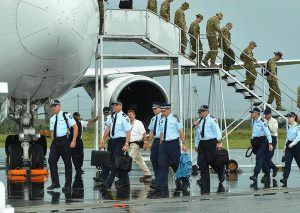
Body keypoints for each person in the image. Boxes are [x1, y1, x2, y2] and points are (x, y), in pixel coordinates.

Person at [150, 103, 189, 193]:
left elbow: (181, 131)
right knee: (162, 164)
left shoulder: (175, 118)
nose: (162, 113)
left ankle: (185, 181)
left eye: (164, 111)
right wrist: (160, 145)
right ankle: (159, 184)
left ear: (169, 110)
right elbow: (161, 134)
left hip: (173, 144)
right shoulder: (162, 120)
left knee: (176, 164)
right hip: (164, 144)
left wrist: (184, 143)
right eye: (162, 111)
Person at [99, 100, 131, 189]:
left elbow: (128, 131)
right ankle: (125, 181)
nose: (114, 106)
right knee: (110, 160)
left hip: (120, 141)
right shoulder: (112, 116)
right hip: (112, 141)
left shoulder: (124, 117)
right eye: (113, 105)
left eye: (116, 105)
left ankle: (108, 182)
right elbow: (108, 128)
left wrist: (126, 144)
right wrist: (103, 139)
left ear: (121, 106)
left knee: (115, 161)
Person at [47, 100, 78, 192]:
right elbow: (52, 131)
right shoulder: (52, 118)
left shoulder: (66, 115)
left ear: (59, 106)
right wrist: (53, 141)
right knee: (51, 161)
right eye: (52, 106)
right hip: (55, 142)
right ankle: (55, 183)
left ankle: (68, 185)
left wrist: (74, 140)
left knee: (67, 163)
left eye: (55, 106)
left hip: (65, 140)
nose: (53, 108)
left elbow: (75, 127)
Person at [194, 105, 224, 194]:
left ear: (206, 112)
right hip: (202, 143)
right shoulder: (199, 121)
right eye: (199, 112)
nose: (199, 114)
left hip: (211, 142)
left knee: (211, 161)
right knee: (202, 162)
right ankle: (204, 180)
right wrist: (196, 145)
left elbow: (217, 131)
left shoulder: (212, 120)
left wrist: (219, 142)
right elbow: (197, 134)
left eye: (201, 112)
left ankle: (221, 171)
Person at [71, 112, 99, 179]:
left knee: (81, 155)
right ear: (73, 116)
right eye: (76, 115)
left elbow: (89, 123)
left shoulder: (81, 122)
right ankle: (77, 168)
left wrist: (95, 119)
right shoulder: (70, 122)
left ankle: (79, 167)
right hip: (72, 140)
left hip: (79, 141)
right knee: (74, 155)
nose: (77, 117)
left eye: (78, 115)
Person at [249, 107, 273, 184]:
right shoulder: (253, 121)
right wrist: (252, 142)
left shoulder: (263, 121)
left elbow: (267, 132)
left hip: (262, 140)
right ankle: (266, 172)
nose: (251, 114)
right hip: (255, 141)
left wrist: (270, 143)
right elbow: (254, 132)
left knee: (259, 156)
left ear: (257, 113)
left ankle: (255, 174)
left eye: (252, 112)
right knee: (261, 157)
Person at [127, 110, 152, 182]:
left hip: (136, 144)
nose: (129, 116)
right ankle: (147, 173)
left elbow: (144, 133)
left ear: (134, 115)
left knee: (129, 158)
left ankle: (122, 174)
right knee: (139, 160)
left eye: (131, 114)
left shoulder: (138, 123)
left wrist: (145, 143)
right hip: (129, 144)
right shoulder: (127, 123)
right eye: (128, 115)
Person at [280, 112, 300, 187]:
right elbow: (287, 137)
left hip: (296, 145)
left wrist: (293, 143)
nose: (288, 118)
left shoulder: (298, 126)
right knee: (287, 162)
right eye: (287, 117)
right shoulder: (289, 126)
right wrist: (285, 146)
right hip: (289, 145)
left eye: (289, 117)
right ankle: (285, 178)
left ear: (294, 117)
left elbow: (298, 137)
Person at [93, 107, 112, 183]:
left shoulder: (109, 119)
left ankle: (105, 176)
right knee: (109, 159)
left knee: (109, 159)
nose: (106, 114)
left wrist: (103, 141)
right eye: (105, 112)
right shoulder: (106, 119)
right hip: (110, 140)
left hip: (112, 140)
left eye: (107, 112)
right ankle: (103, 176)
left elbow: (108, 131)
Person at [261, 108, 279, 182]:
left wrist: (266, 125)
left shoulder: (274, 121)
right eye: (265, 114)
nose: (265, 116)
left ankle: (267, 173)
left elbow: (274, 130)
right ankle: (271, 170)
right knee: (263, 157)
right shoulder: (262, 120)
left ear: (270, 114)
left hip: (272, 138)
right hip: (265, 139)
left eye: (267, 114)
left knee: (268, 156)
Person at [147, 102, 162, 180]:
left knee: (161, 159)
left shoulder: (163, 117)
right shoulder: (153, 119)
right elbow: (152, 131)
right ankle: (157, 177)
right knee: (153, 158)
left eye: (155, 109)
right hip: (156, 140)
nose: (154, 110)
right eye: (153, 109)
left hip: (162, 140)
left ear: (160, 108)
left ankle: (161, 177)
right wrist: (149, 142)